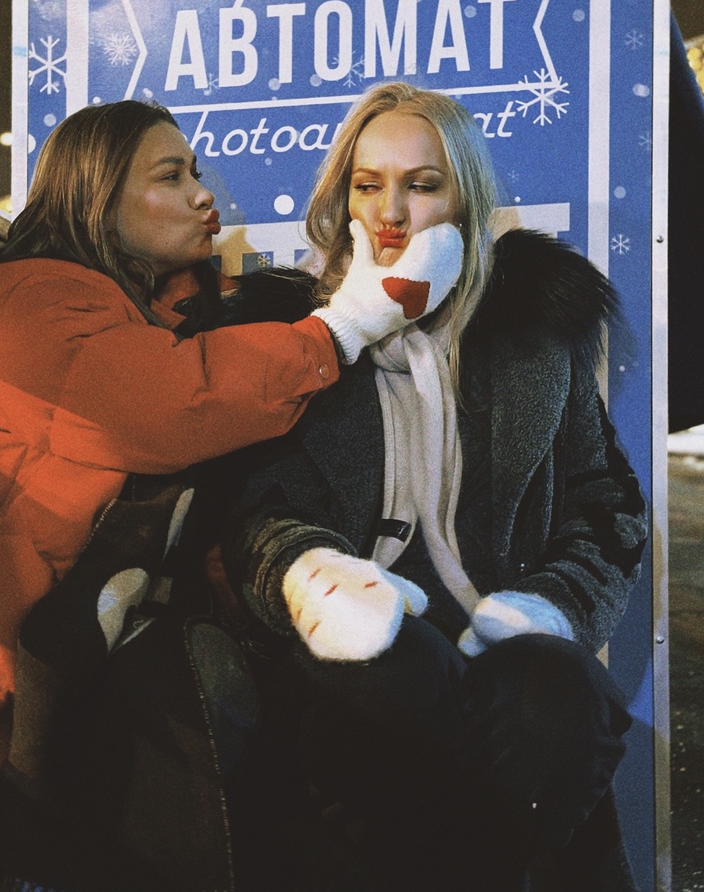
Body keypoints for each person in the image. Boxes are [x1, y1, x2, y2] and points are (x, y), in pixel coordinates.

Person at [0, 99, 464, 889]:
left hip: (66, 648)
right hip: (9, 681)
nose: (202, 193)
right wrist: (342, 325)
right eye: (171, 176)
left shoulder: (112, 302)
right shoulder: (30, 299)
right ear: (96, 196)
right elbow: (161, 407)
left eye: (197, 172)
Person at [215, 83, 649, 892]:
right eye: (368, 184)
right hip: (357, 650)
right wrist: (319, 580)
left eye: (421, 185)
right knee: (395, 683)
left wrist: (549, 605)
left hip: (502, 629)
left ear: (463, 199)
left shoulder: (535, 326)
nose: (391, 213)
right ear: (341, 196)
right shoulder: (289, 335)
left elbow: (606, 504)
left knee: (556, 702)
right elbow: (255, 515)